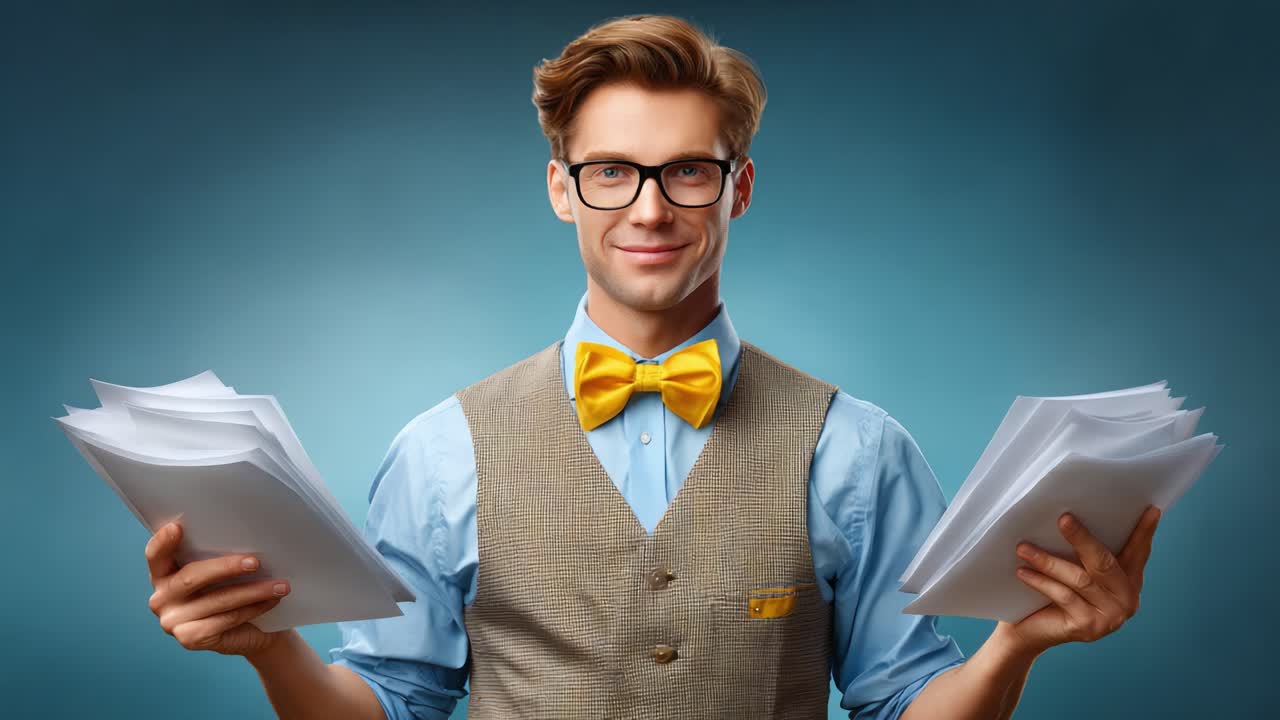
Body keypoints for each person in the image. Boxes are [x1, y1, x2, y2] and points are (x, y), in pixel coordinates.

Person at [141, 14, 1162, 720]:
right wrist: (270, 646)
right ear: (561, 189)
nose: (649, 207)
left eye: (686, 171)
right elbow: (392, 704)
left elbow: (902, 701)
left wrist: (1016, 644)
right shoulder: (440, 448)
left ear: (738, 188)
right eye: (611, 172)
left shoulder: (857, 449)